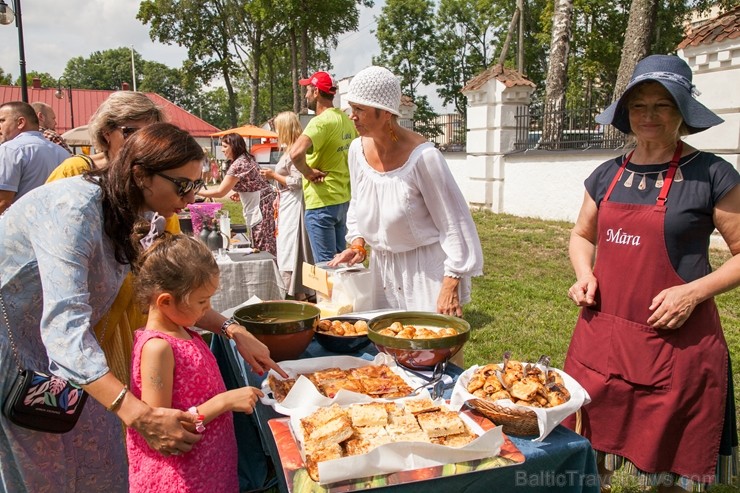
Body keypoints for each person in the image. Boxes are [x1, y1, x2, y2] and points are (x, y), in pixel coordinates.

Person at [0, 122, 285, 492]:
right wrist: (142, 415)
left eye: (195, 185)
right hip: (18, 360)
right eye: (182, 185)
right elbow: (64, 330)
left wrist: (232, 329)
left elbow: (173, 290)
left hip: (75, 365)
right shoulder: (73, 211)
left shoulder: (138, 212)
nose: (190, 196)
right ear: (140, 175)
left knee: (102, 460)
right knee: (45, 473)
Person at [564, 55, 739, 492]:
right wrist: (585, 272)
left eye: (663, 105)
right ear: (626, 114)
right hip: (603, 338)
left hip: (674, 344)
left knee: (671, 462)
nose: (649, 115)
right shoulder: (606, 174)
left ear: (683, 111)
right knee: (588, 449)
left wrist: (693, 293)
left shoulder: (711, 174)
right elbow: (582, 236)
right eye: (639, 106)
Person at [328, 66, 484, 317]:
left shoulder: (424, 158)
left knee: (429, 347)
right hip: (382, 270)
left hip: (426, 271)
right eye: (351, 108)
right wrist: (358, 244)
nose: (352, 116)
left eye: (360, 109)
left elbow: (454, 222)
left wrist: (451, 281)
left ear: (386, 113)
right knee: (385, 348)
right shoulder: (356, 151)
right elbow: (357, 203)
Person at [45, 90, 174, 387]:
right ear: (106, 134)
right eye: (130, 132)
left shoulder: (154, 184)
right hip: (89, 322)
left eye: (151, 134)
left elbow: (169, 259)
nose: (141, 143)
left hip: (138, 318)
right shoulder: (77, 172)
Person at [127, 234, 263, 492]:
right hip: (182, 478)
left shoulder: (185, 330)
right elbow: (162, 430)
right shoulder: (158, 348)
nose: (208, 309)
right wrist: (224, 401)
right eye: (202, 302)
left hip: (209, 466)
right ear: (165, 301)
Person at [286, 71, 357, 262]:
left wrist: (308, 173)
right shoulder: (345, 120)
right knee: (340, 264)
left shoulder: (319, 122)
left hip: (321, 202)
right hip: (342, 200)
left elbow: (295, 153)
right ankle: (343, 293)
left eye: (308, 90)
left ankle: (329, 294)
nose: (306, 96)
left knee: (326, 267)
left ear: (316, 92)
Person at [260, 111, 315, 300]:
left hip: (295, 202)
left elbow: (297, 181)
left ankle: (299, 289)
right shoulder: (289, 149)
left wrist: (273, 175)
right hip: (286, 201)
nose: (275, 132)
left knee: (292, 244)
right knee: (287, 244)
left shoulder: (295, 151)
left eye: (277, 128)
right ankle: (297, 290)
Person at [196, 133, 277, 256]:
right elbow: (253, 182)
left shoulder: (239, 164)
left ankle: (268, 271)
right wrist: (240, 192)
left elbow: (220, 192)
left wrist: (195, 191)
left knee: (262, 245)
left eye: (224, 146)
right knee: (265, 243)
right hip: (264, 203)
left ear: (233, 146)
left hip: (261, 207)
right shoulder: (246, 158)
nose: (222, 150)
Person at [0, 101, 69, 213]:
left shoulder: (10, 149)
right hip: (54, 224)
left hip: (18, 225)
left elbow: (3, 202)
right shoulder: (63, 153)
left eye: (2, 120)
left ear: (21, 122)